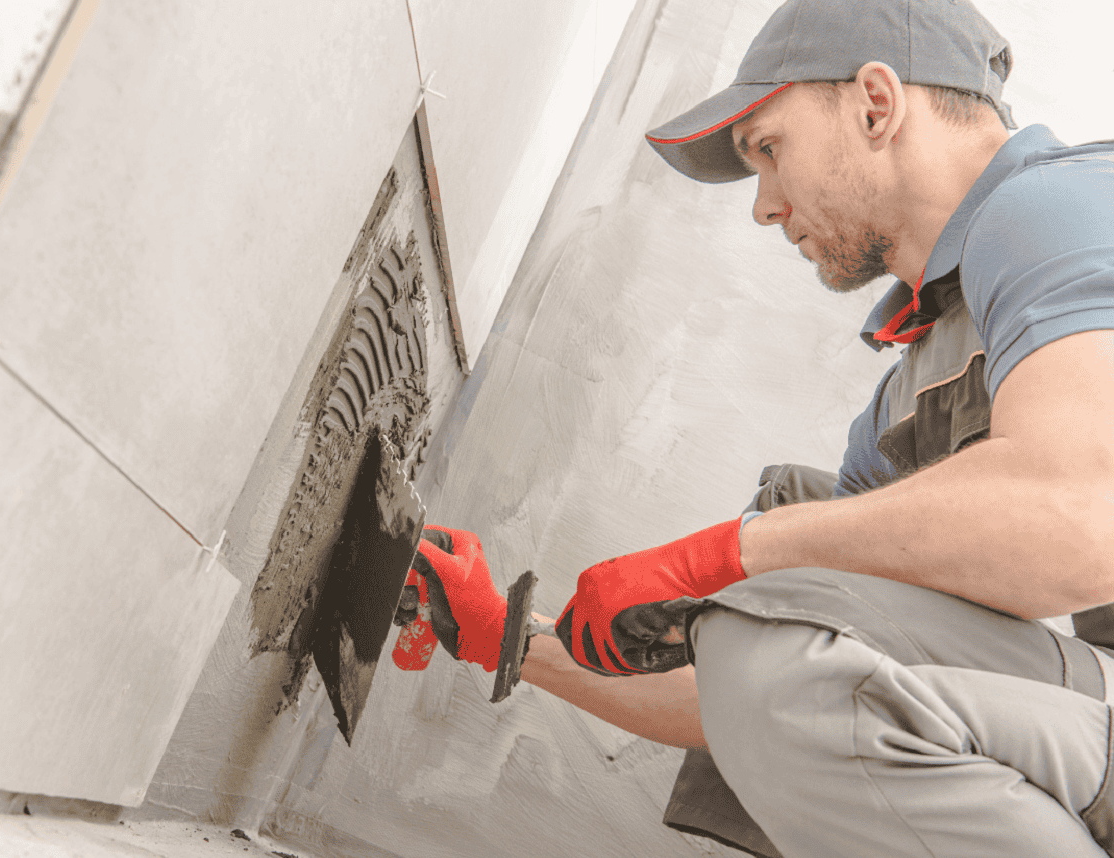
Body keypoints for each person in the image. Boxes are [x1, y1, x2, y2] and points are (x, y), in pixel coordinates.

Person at [409, 0, 1114, 855]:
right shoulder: (905, 401)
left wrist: (730, 556)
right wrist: (515, 640)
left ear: (876, 104)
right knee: (782, 585)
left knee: (779, 564)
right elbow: (739, 700)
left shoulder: (1066, 208)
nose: (765, 207)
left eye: (769, 149)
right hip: (1089, 728)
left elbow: (1080, 521)